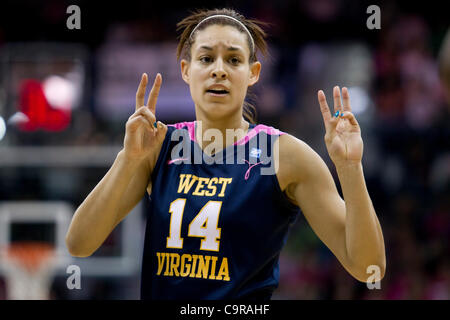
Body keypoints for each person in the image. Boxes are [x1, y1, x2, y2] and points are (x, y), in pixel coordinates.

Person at [65, 8, 386, 300]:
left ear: (253, 72)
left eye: (233, 60)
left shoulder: (285, 156)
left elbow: (367, 267)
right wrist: (128, 160)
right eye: (206, 59)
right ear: (186, 70)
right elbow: (79, 243)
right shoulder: (157, 146)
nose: (219, 70)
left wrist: (349, 168)